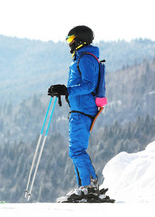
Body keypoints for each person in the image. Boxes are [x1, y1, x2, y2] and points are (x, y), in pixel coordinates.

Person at [48, 25, 100, 202]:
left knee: (76, 150)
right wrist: (64, 91)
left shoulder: (85, 59)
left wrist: (67, 90)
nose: (69, 44)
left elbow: (89, 85)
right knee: (77, 150)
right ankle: (89, 186)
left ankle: (87, 187)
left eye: (71, 40)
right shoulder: (81, 58)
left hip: (83, 110)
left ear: (80, 40)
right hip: (80, 109)